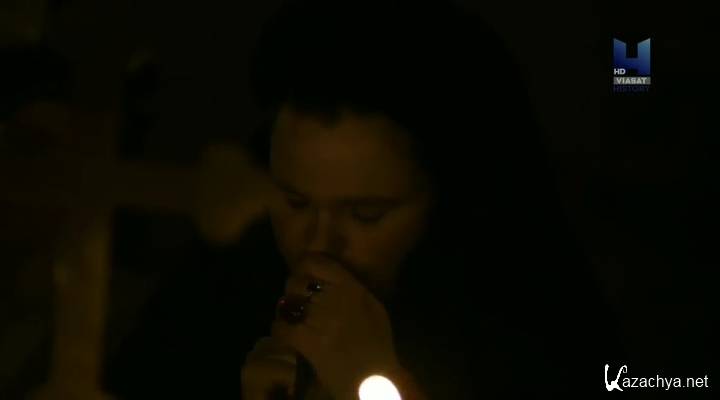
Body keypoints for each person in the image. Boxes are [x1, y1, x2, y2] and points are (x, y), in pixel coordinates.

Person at [105, 0, 622, 398]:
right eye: (295, 202)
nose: (319, 243)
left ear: (449, 201)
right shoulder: (221, 292)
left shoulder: (533, 334)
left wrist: (370, 378)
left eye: (366, 214)